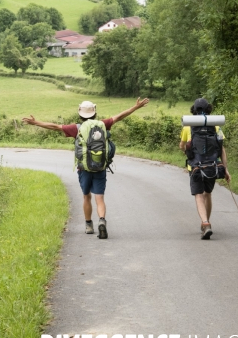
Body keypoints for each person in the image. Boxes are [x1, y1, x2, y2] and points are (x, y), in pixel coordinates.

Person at [22, 97, 149, 239]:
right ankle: (102, 220)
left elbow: (55, 127)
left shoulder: (76, 128)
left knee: (86, 196)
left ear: (80, 113)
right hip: (100, 168)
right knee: (99, 198)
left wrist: (35, 122)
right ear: (95, 112)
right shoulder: (103, 124)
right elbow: (120, 116)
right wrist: (136, 107)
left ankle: (89, 225)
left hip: (84, 169)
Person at [179, 98, 231, 240]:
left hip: (195, 166)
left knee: (198, 195)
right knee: (207, 193)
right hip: (213, 166)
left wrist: (187, 150)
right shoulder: (215, 126)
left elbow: (182, 146)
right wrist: (225, 169)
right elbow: (221, 149)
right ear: (209, 109)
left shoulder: (188, 126)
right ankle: (206, 223)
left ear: (193, 110)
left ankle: (205, 223)